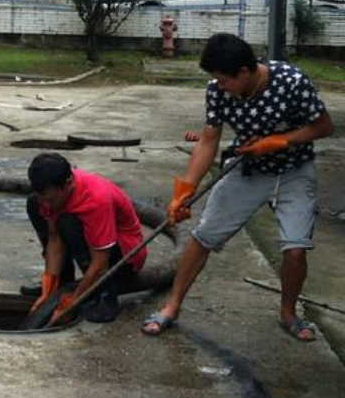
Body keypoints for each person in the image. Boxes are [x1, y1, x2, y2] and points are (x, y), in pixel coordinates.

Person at [141, 33, 334, 341]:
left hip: (294, 170)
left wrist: (278, 141)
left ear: (245, 72)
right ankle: (171, 306)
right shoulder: (217, 91)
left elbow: (324, 126)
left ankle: (288, 313)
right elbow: (208, 139)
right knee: (203, 237)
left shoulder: (292, 82)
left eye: (224, 80)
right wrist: (184, 191)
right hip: (249, 170)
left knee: (295, 249)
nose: (220, 86)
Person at [24, 153, 147, 324]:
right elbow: (54, 239)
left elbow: (100, 264)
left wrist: (72, 302)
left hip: (122, 258)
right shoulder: (50, 197)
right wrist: (49, 288)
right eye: (42, 197)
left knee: (68, 222)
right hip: (93, 248)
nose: (46, 204)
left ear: (68, 184)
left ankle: (105, 295)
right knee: (33, 204)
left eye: (50, 199)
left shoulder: (96, 199)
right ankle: (61, 284)